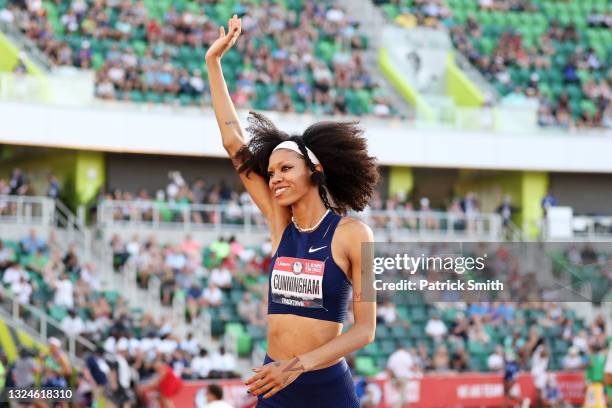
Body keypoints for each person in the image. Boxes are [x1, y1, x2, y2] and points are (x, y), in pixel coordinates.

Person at [206, 15, 378, 407]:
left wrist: (297, 365)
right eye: (270, 173)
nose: (275, 179)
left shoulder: (354, 234)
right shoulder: (280, 223)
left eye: (285, 169)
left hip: (325, 388)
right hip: (275, 382)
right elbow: (234, 142)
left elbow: (365, 330)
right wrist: (213, 65)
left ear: (314, 170)